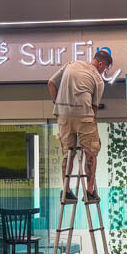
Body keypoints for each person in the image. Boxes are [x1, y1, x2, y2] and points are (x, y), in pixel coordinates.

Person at [48, 50, 112, 204]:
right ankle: (89, 191)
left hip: (63, 115)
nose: (104, 72)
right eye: (106, 69)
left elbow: (51, 83)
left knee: (67, 154)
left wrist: (58, 104)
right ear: (101, 64)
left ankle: (67, 190)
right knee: (91, 152)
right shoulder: (98, 79)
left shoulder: (70, 65)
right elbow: (94, 108)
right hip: (84, 116)